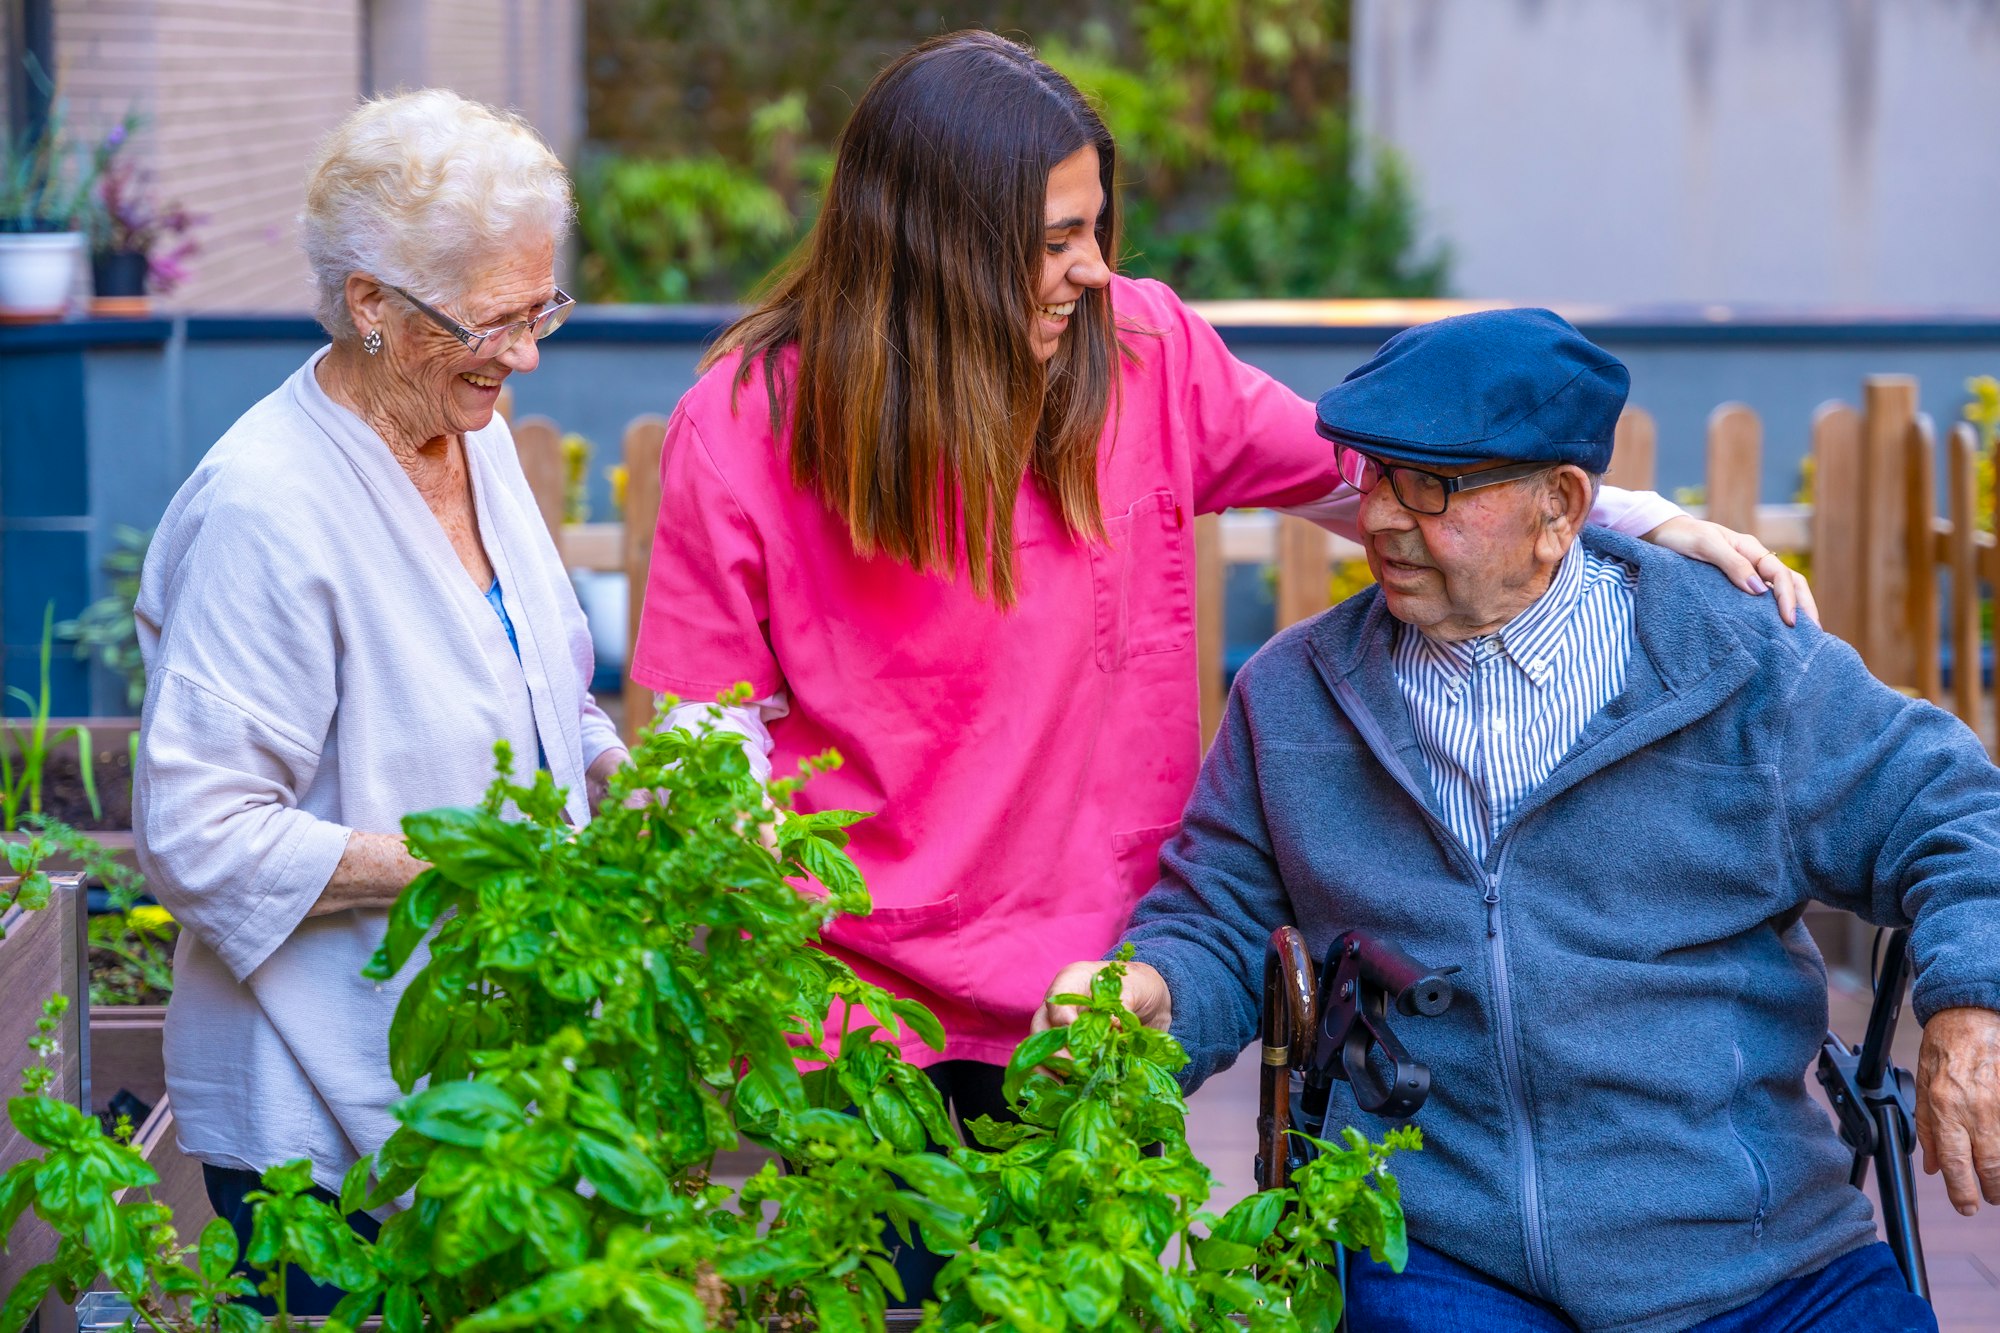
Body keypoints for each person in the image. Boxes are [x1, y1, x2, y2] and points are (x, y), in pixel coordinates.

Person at [632, 29, 1809, 1296]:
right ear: (933, 243)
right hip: (852, 1014)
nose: (1089, 266)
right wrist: (743, 962)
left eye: (1093, 228)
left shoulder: (1137, 352)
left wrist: (1629, 517)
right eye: (1050, 239)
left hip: (1097, 993)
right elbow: (705, 726)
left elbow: (1370, 474)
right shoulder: (749, 418)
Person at [1040, 308, 2000, 1332]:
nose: (1379, 519)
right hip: (1440, 1249)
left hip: (1750, 1252)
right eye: (1371, 473)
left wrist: (1969, 1001)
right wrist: (1153, 988)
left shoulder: (1732, 665)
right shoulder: (1294, 697)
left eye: (1431, 487)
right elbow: (1218, 917)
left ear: (1560, 507)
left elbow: (1947, 808)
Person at [134, 90, 624, 1315]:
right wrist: (464, 862)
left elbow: (542, 680)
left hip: (490, 1089)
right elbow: (199, 832)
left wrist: (623, 780)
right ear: (372, 306)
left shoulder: (476, 434)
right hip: (319, 1109)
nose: (524, 353)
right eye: (498, 319)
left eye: (541, 308)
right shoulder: (267, 508)